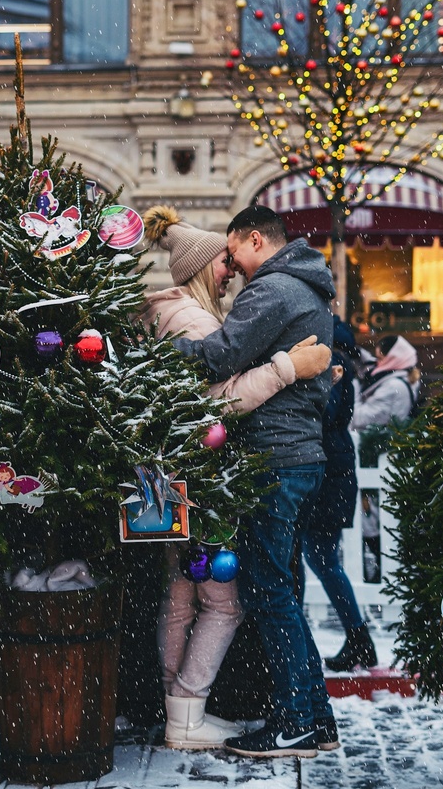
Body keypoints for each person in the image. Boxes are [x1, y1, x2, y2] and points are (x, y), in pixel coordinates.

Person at [140, 206, 331, 750]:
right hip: (295, 454)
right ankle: (314, 719)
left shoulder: (272, 290)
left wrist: (152, 354)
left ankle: (297, 722)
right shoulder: (307, 286)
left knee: (268, 593)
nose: (232, 268)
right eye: (221, 261)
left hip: (276, 454)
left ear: (254, 239)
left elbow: (219, 359)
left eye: (233, 253)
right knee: (277, 591)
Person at [298, 318, 378, 673]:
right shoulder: (339, 361)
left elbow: (325, 412)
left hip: (329, 472)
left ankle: (359, 638)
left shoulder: (333, 365)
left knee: (321, 559)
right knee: (320, 559)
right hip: (335, 468)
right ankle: (359, 639)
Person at [351, 334, 421, 431]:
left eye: (380, 358)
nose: (377, 363)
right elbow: (373, 363)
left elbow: (359, 419)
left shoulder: (393, 386)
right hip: (392, 439)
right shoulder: (405, 377)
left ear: (392, 359)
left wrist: (353, 384)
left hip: (375, 441)